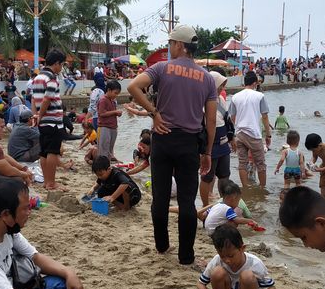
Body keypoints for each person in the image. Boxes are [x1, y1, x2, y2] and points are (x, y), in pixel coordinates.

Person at [127, 24, 217, 265]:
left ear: (179, 44)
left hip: (163, 139)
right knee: (187, 200)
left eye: (170, 44)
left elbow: (133, 86)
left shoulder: (162, 68)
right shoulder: (207, 78)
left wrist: (154, 113)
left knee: (161, 196)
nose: (169, 48)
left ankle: (161, 245)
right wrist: (207, 151)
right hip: (189, 142)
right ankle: (186, 256)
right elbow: (210, 120)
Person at [197, 224, 275, 289]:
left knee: (247, 276)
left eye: (231, 256)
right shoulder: (217, 260)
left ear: (242, 248)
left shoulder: (254, 263)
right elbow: (200, 284)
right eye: (222, 256)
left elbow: (271, 288)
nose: (227, 260)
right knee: (217, 272)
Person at [31, 50, 67, 191]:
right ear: (57, 63)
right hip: (53, 120)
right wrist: (40, 115)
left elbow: (34, 99)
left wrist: (36, 116)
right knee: (53, 151)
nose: (61, 68)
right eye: (62, 64)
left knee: (44, 152)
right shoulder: (51, 78)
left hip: (43, 121)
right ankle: (51, 183)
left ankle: (47, 182)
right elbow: (47, 98)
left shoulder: (37, 77)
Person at [200, 71, 233, 207]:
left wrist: (232, 138)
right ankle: (205, 205)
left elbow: (227, 120)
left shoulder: (222, 100)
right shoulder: (202, 101)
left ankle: (223, 204)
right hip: (210, 143)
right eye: (220, 85)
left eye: (223, 86)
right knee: (207, 177)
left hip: (223, 142)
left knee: (224, 176)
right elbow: (203, 125)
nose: (222, 89)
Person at [97, 80, 122, 160]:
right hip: (104, 127)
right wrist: (115, 112)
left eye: (117, 93)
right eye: (115, 93)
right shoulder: (103, 100)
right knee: (104, 149)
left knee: (110, 150)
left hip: (112, 127)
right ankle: (103, 167)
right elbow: (101, 113)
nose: (116, 95)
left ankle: (107, 166)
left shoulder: (112, 101)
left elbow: (110, 113)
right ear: (108, 90)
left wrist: (116, 113)